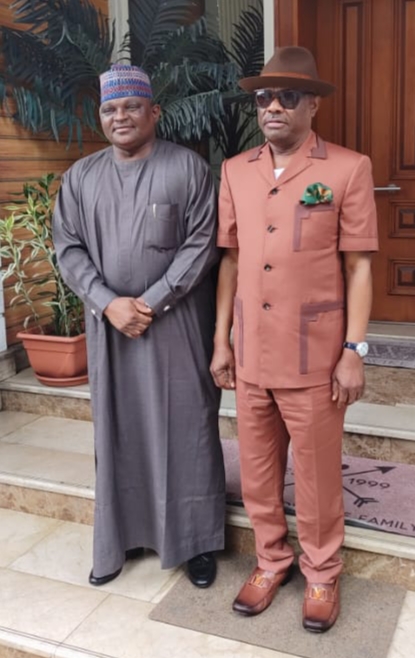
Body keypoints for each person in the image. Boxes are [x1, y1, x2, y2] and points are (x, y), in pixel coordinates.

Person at [211, 46, 378, 631]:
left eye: (287, 96)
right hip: (252, 351)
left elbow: (359, 266)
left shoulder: (348, 169)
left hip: (314, 353)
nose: (273, 107)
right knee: (257, 471)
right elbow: (231, 261)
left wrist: (354, 351)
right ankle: (269, 561)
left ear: (312, 105)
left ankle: (322, 573)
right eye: (264, 97)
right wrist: (221, 341)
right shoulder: (235, 170)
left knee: (316, 474)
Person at [53, 64, 225, 589]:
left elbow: (203, 245)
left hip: (177, 327)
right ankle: (120, 538)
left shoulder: (188, 168)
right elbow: (68, 249)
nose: (120, 116)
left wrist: (147, 304)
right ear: (101, 116)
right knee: (118, 429)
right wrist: (108, 304)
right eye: (110, 109)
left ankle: (195, 542)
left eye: (131, 106)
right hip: (110, 329)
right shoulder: (80, 177)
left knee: (187, 428)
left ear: (154, 111)